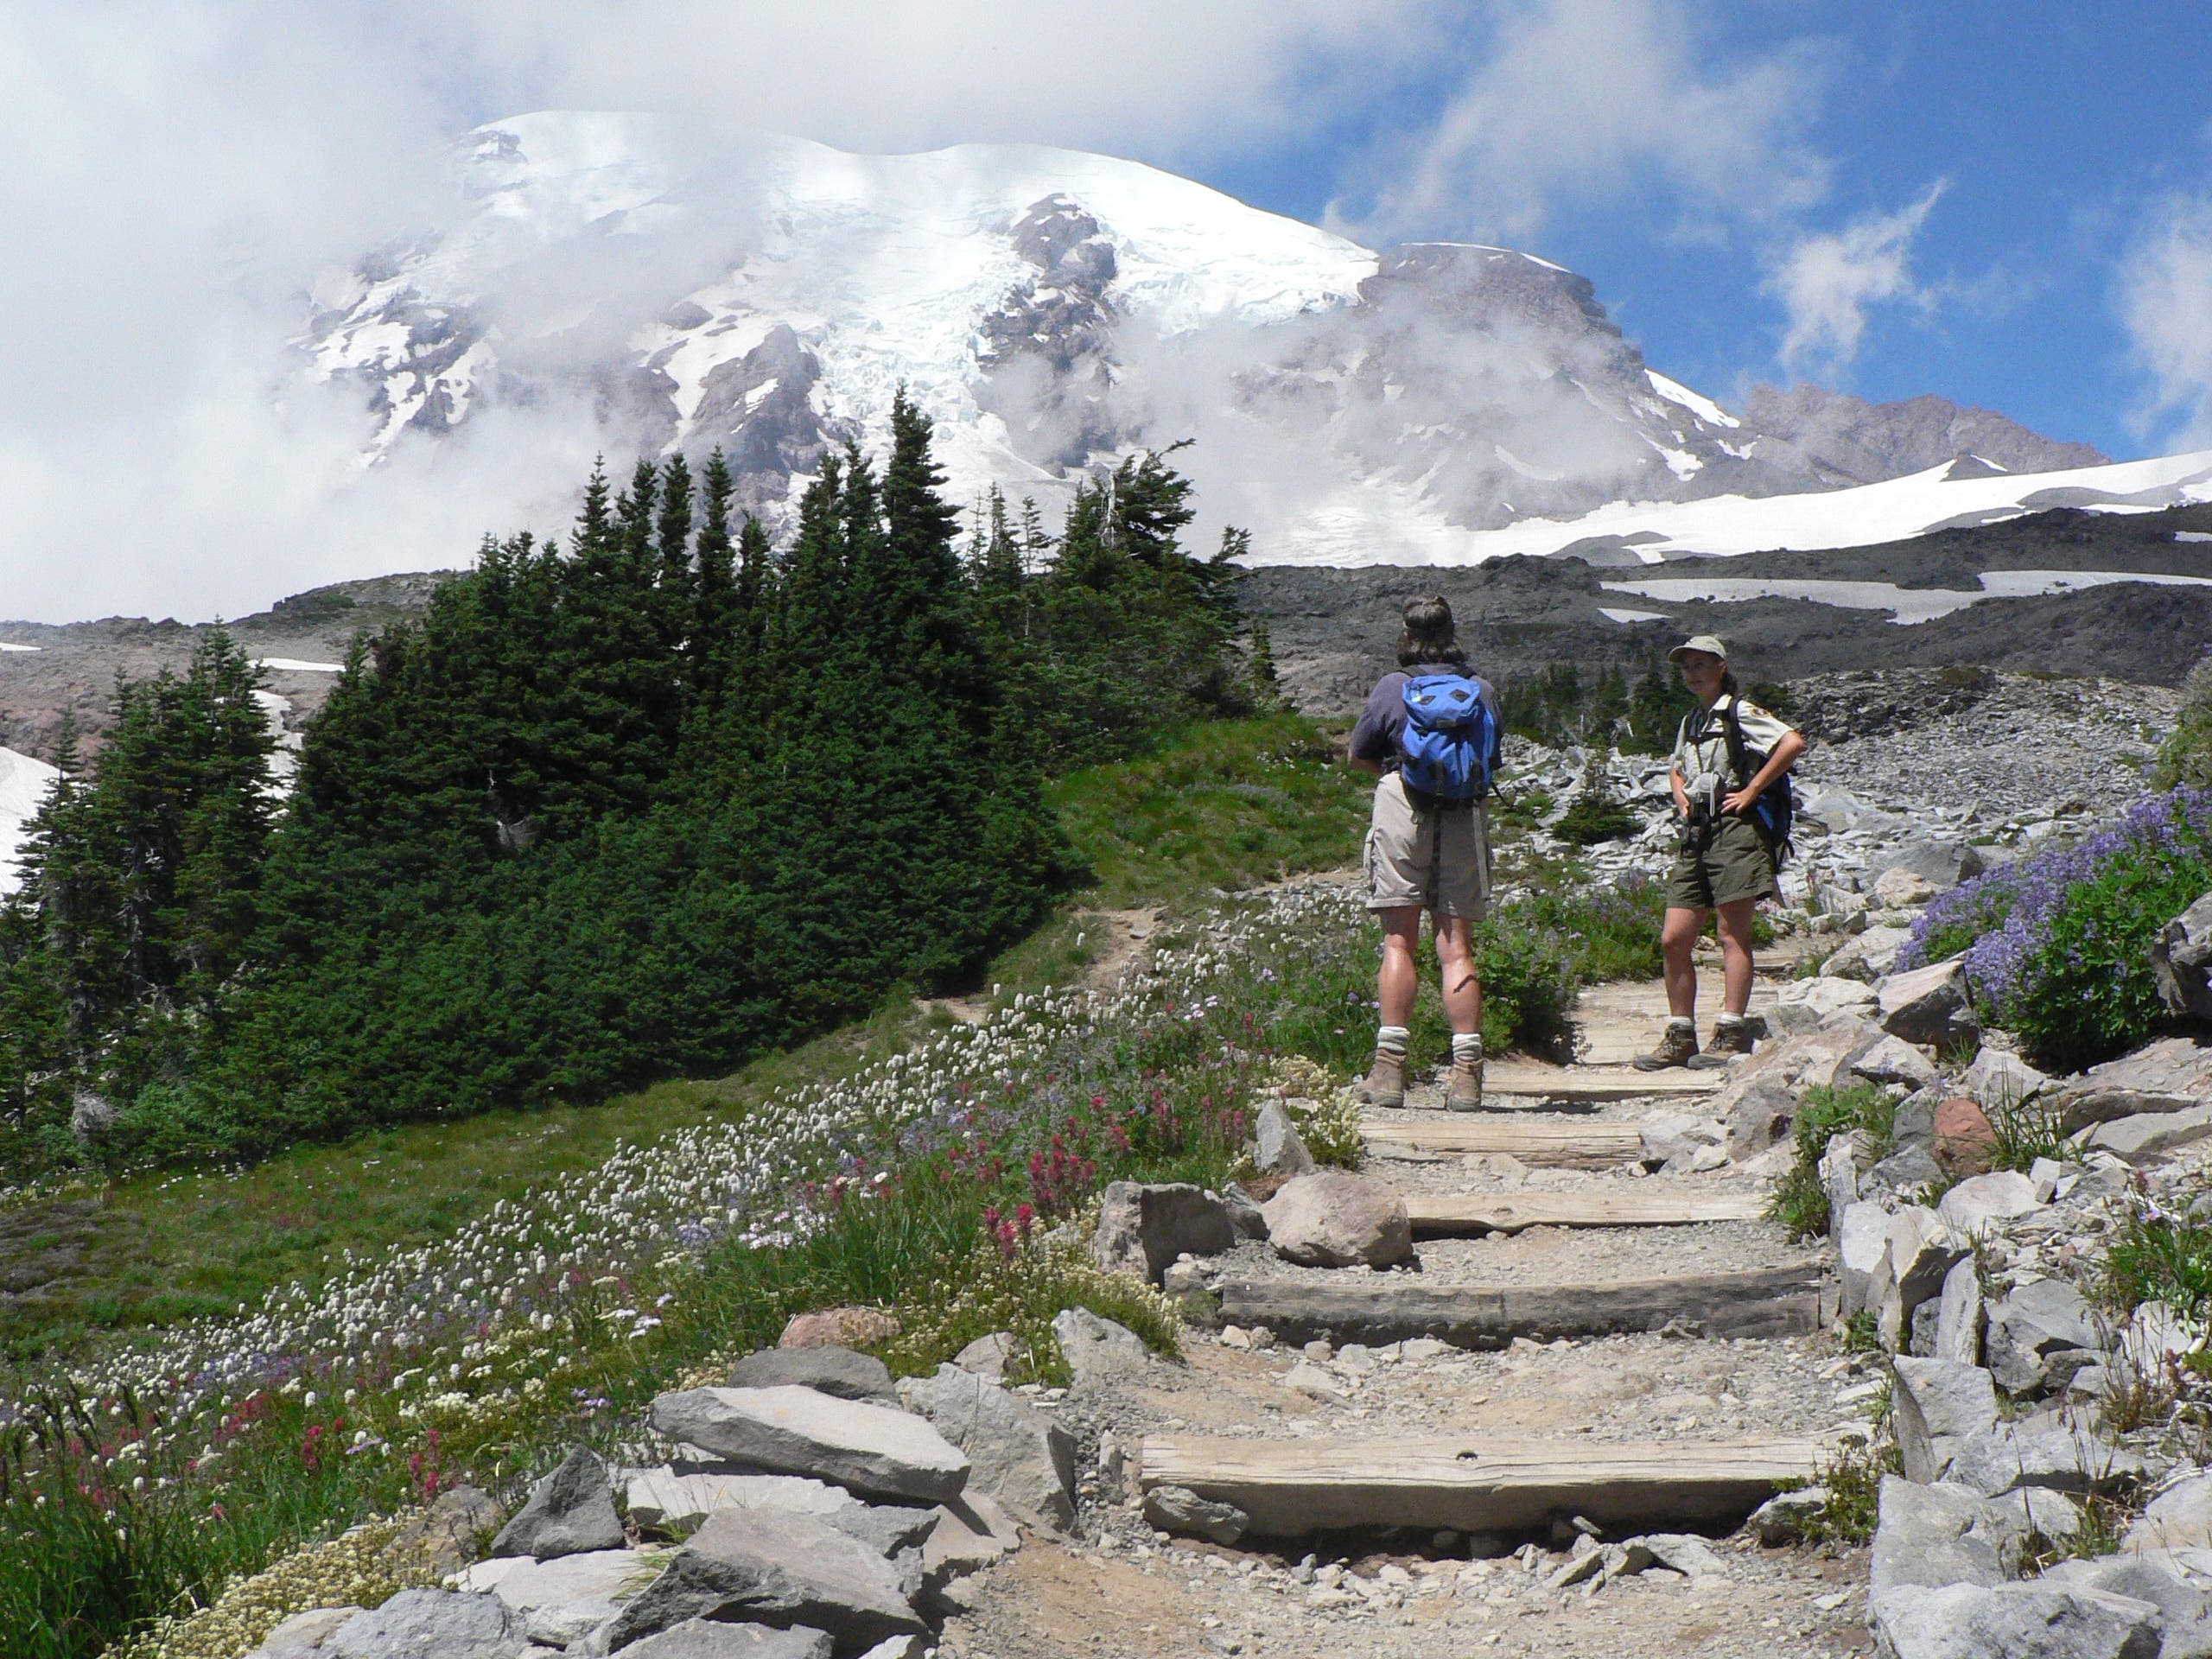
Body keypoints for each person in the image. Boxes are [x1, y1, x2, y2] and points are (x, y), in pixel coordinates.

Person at [1346, 595, 1502, 1110]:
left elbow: (1359, 756)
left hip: (1402, 807)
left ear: (1406, 636)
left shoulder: (1394, 688)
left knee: (1399, 942)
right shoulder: (1480, 690)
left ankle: (1389, 1073)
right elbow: (1491, 759)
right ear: (1454, 632)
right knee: (1456, 948)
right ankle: (1466, 1078)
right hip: (1463, 814)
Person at [1634, 635, 1805, 1071]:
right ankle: (1680, 1035)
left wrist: (1750, 790)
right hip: (1698, 832)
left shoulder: (1740, 713)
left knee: (1733, 935)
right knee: (1674, 938)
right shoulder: (1691, 720)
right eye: (1686, 667)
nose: (1692, 674)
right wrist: (1681, 798)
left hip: (1736, 831)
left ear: (1721, 667)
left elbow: (1792, 743)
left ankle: (1730, 1031)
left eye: (1700, 665)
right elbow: (1676, 766)